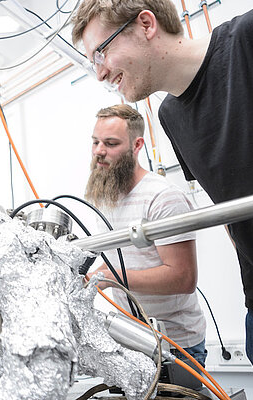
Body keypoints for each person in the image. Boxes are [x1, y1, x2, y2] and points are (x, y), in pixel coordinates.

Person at [72, 1, 253, 399]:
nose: (99, 72)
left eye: (102, 51)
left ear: (145, 24)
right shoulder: (171, 116)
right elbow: (229, 206)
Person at [85, 104, 207, 365]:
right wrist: (88, 276)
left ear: (136, 145)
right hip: (133, 339)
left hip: (176, 345)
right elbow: (120, 258)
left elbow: (182, 278)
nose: (99, 152)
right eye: (95, 142)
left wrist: (109, 278)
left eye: (110, 143)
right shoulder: (105, 196)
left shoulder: (163, 197)